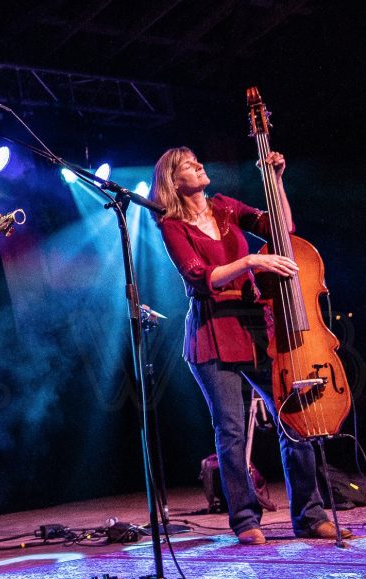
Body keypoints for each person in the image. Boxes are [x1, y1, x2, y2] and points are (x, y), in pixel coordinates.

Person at [149, 146, 351, 545]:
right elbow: (201, 277)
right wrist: (251, 263)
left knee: (294, 418)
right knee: (231, 430)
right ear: (173, 181)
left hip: (257, 330)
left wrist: (275, 180)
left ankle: (309, 515)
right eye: (189, 164)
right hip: (212, 332)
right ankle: (244, 519)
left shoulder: (225, 207)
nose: (199, 165)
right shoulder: (172, 226)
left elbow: (281, 230)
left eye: (197, 160)